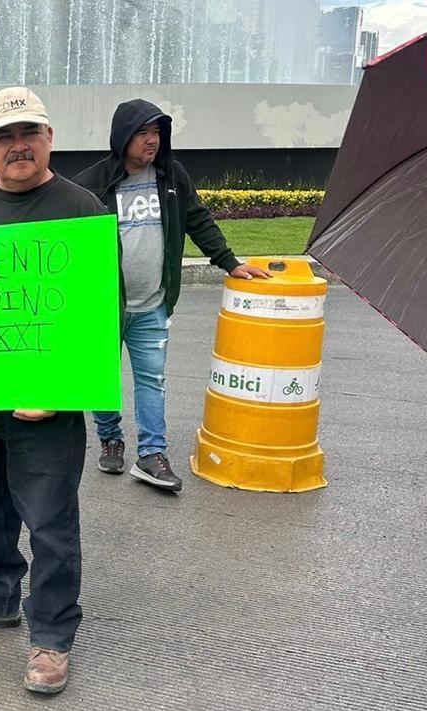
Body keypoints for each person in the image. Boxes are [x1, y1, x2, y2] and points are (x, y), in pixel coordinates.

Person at [0, 87, 112, 694]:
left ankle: (53, 634)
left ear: (49, 139)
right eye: (4, 136)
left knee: (51, 520)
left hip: (46, 404)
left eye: (29, 132)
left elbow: (101, 312)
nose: (18, 145)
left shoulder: (81, 207)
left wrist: (63, 391)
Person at [73, 99, 270, 493]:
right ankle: (110, 437)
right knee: (102, 378)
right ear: (122, 137)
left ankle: (152, 454)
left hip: (153, 302)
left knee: (152, 379)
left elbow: (196, 218)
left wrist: (229, 262)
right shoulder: (91, 183)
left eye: (157, 132)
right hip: (103, 306)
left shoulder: (171, 176)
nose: (152, 141)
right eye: (143, 133)